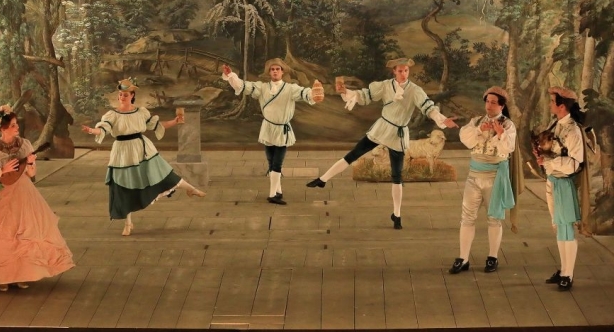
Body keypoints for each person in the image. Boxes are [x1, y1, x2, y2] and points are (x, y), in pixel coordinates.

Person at [307, 58, 457, 228]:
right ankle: (323, 179)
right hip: (382, 128)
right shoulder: (385, 86)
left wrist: (442, 119)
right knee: (354, 154)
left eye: (406, 71)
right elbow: (364, 95)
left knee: (397, 176)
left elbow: (428, 107)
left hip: (398, 135)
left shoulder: (415, 90)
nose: (403, 74)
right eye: (400, 71)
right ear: (394, 71)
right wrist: (346, 91)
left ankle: (397, 215)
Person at [82, 79, 206, 236]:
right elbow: (103, 129)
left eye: (125, 94)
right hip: (122, 152)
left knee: (163, 173)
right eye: (120, 94)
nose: (122, 97)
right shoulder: (112, 115)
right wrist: (92, 131)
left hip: (142, 149)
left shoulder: (141, 112)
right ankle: (128, 223)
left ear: (132, 95)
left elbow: (156, 125)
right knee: (124, 186)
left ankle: (191, 189)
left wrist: (174, 122)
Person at [0, 106, 75, 291]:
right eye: (12, 125)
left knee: (23, 235)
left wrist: (31, 163)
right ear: (2, 128)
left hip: (23, 194)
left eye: (16, 124)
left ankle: (21, 274)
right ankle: (2, 276)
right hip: (2, 196)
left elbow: (31, 174)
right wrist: (2, 170)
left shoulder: (25, 144)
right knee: (4, 236)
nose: (17, 127)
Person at [221, 59, 324, 206]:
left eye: (278, 69)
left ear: (282, 72)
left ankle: (272, 195)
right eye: (272, 69)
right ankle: (278, 192)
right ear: (269, 72)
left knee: (277, 163)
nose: (275, 71)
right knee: (271, 162)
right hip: (268, 128)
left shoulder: (290, 88)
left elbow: (305, 93)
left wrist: (314, 93)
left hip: (282, 130)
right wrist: (230, 75)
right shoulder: (262, 88)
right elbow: (243, 86)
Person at [449, 86, 516, 274]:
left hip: (494, 177)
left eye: (493, 102)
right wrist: (479, 130)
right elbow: (466, 139)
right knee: (467, 217)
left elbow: (508, 148)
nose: (489, 105)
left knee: (494, 218)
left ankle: (492, 257)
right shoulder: (477, 121)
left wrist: (500, 133)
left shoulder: (508, 125)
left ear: (501, 106)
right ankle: (463, 258)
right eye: (487, 101)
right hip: (474, 176)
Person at [535, 86, 585, 291]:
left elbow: (575, 163)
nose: (550, 104)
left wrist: (550, 162)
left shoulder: (573, 130)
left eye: (552, 101)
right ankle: (563, 269)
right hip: (553, 181)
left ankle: (568, 275)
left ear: (562, 106)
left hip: (564, 183)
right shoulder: (555, 124)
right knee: (558, 226)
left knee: (566, 228)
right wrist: (542, 156)